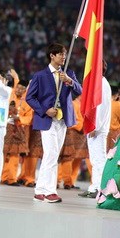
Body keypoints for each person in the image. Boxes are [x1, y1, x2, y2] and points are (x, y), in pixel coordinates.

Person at [25, 43, 82, 203]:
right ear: (52, 55)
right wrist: (44, 110)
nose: (64, 57)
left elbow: (80, 91)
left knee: (52, 155)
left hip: (62, 120)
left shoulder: (68, 73)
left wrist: (70, 81)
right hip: (47, 120)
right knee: (51, 154)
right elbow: (29, 97)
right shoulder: (40, 76)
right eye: (61, 54)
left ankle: (39, 191)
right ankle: (50, 191)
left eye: (65, 54)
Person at [79, 60, 112, 198]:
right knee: (94, 160)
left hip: (98, 128)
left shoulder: (102, 84)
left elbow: (101, 108)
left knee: (99, 159)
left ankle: (101, 188)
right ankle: (95, 187)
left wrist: (94, 126)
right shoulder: (98, 84)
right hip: (94, 127)